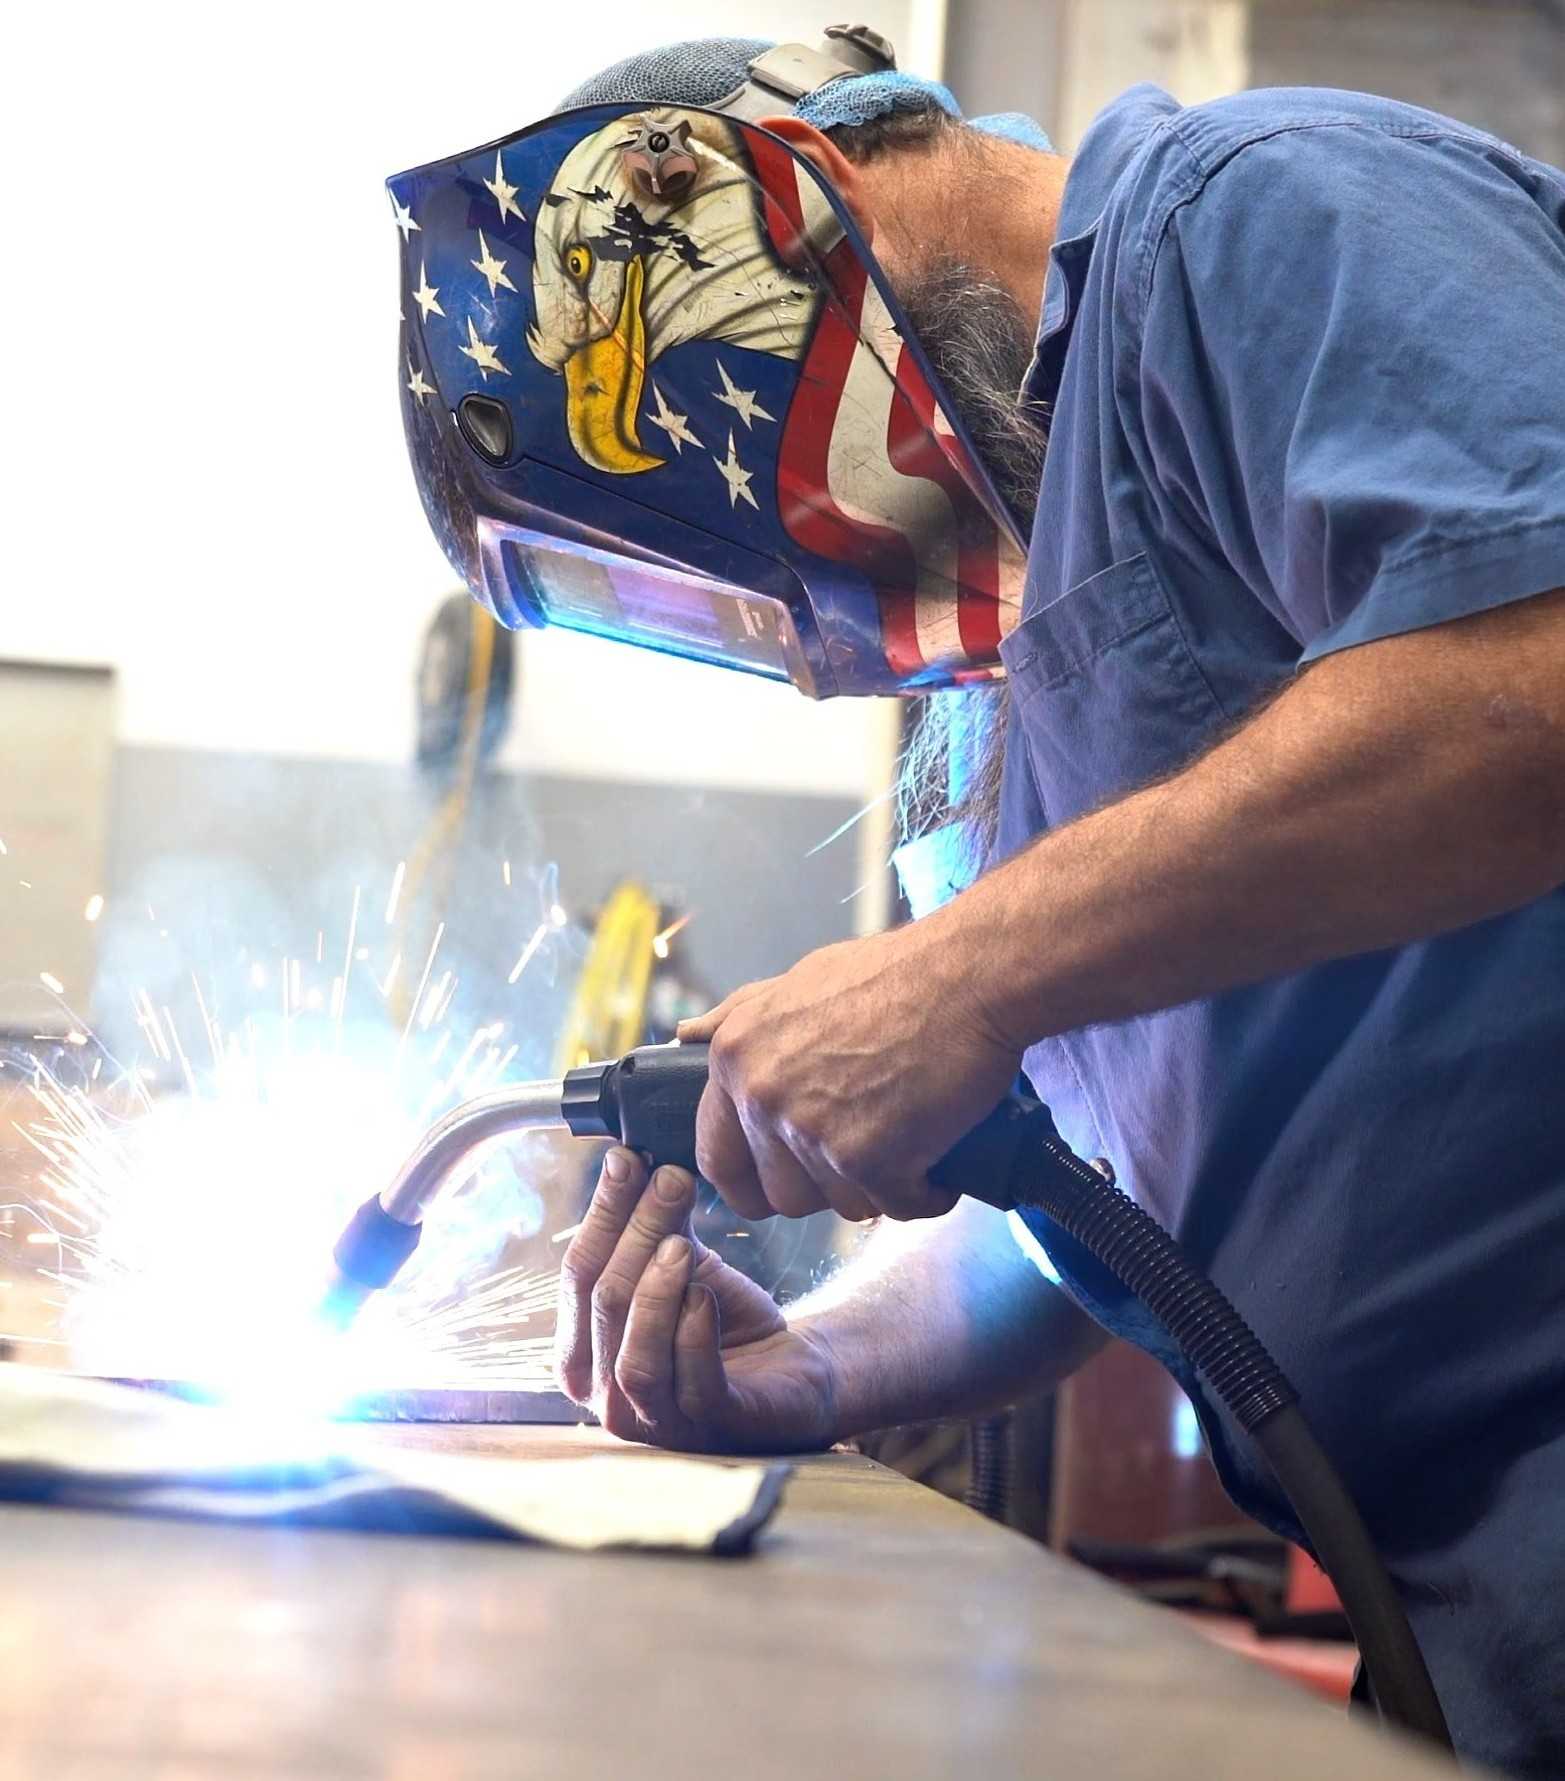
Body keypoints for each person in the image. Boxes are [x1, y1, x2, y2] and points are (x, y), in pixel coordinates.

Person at [404, 34, 1565, 1776]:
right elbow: (1098, 1210)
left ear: (743, 215)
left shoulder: (1250, 217)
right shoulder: (1011, 697)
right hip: (1478, 1639)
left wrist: (961, 978)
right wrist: (810, 1362)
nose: (803, 625)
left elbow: (1537, 683)